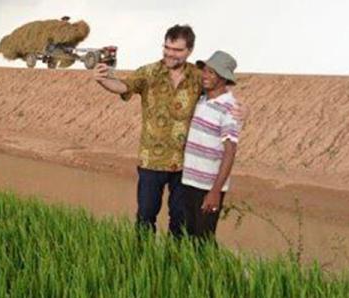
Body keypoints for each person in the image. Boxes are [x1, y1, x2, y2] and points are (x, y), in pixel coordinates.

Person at [91, 25, 202, 235]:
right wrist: (103, 80)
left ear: (189, 50)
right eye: (167, 47)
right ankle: (143, 253)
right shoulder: (148, 73)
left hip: (185, 162)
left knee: (180, 220)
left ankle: (174, 255)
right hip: (151, 160)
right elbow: (124, 86)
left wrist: (240, 109)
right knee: (145, 216)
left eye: (177, 50)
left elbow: (218, 96)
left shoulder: (197, 77)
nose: (170, 53)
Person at [179, 51, 242, 244]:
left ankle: (212, 266)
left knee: (204, 240)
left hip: (208, 187)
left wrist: (215, 192)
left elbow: (230, 152)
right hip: (190, 182)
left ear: (223, 78)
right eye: (205, 70)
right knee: (190, 238)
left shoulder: (230, 109)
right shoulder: (202, 100)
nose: (205, 75)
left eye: (211, 73)